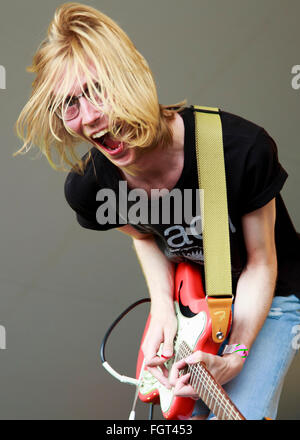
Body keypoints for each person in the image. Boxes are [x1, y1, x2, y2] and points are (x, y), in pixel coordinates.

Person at [15, 2, 300, 420]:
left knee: (243, 413)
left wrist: (235, 355)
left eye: (98, 90)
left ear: (130, 75)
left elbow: (261, 263)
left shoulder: (239, 150)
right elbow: (144, 234)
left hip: (273, 295)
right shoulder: (91, 187)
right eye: (69, 105)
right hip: (192, 304)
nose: (90, 118)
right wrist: (164, 307)